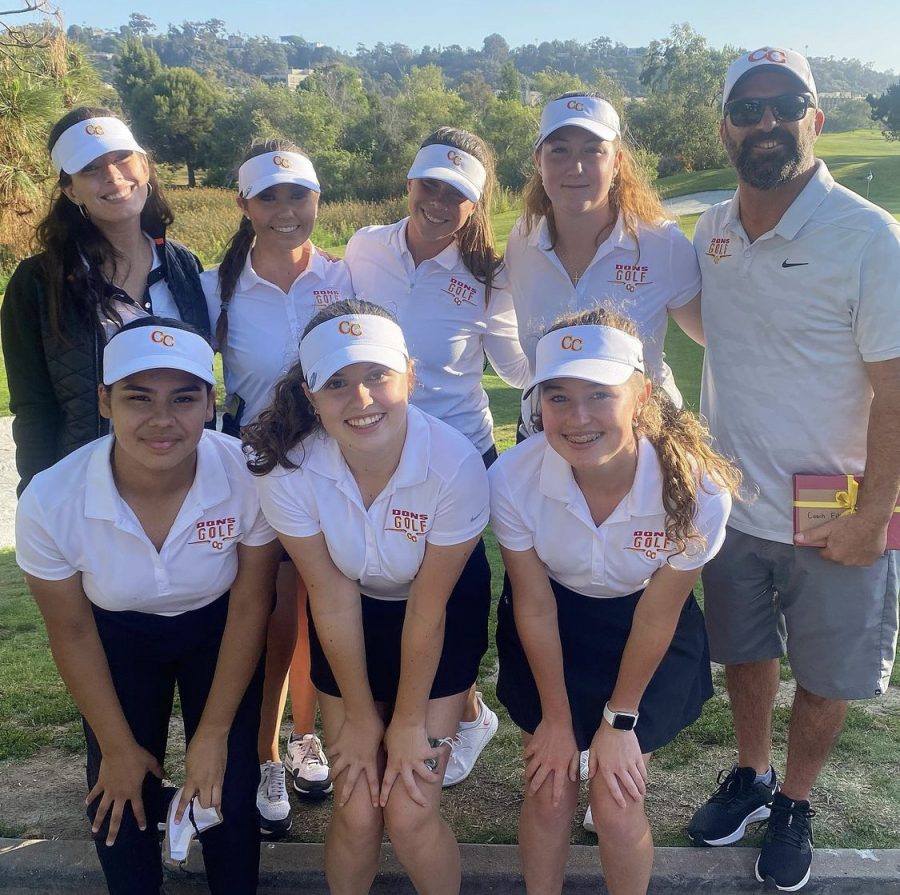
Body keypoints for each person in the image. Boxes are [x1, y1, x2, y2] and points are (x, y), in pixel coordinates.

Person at [687, 47, 900, 892]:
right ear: (727, 127)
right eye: (749, 107)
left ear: (816, 118)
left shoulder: (867, 236)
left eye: (787, 104)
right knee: (744, 652)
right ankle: (751, 773)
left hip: (836, 507)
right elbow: (721, 333)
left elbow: (896, 392)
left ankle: (797, 800)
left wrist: (872, 514)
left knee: (823, 671)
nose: (767, 120)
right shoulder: (712, 232)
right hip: (735, 502)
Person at [14, 317, 282, 895]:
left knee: (229, 789)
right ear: (104, 401)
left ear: (211, 403)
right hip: (116, 637)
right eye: (139, 398)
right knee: (118, 790)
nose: (163, 420)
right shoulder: (50, 500)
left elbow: (251, 603)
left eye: (184, 398)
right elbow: (73, 632)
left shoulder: (248, 472)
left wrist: (211, 736)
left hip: (219, 629)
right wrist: (114, 746)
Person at [246, 299, 492, 894]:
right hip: (350, 610)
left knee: (407, 811)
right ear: (310, 396)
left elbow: (429, 610)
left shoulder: (454, 465)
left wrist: (407, 721)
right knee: (355, 810)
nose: (361, 401)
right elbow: (329, 599)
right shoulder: (287, 471)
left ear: (410, 373)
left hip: (439, 609)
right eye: (337, 383)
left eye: (377, 376)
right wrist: (359, 717)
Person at [489, 308, 739, 895]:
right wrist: (555, 719)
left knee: (616, 798)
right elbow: (534, 605)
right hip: (554, 621)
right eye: (557, 397)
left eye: (599, 394)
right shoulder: (512, 479)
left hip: (645, 624)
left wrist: (618, 721)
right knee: (550, 790)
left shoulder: (699, 489)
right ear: (537, 404)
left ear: (641, 395)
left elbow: (659, 611)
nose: (578, 418)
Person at [344, 127, 530, 786]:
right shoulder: (365, 247)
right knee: (385, 584)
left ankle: (465, 706)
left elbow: (515, 361)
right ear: (410, 183)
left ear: (476, 203)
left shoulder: (488, 275)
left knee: (447, 591)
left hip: (456, 458)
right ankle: (423, 708)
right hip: (373, 451)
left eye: (457, 193)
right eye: (430, 185)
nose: (439, 201)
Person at [203, 140, 352, 835]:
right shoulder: (217, 288)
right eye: (269, 197)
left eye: (299, 196)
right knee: (271, 614)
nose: (287, 211)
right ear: (244, 205)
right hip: (252, 471)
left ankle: (304, 736)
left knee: (322, 609)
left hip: (330, 469)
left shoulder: (346, 274)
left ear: (317, 199)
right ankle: (266, 752)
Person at [1, 107, 210, 496]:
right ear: (70, 189)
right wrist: (37, 496)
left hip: (188, 485)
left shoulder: (183, 264)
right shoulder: (36, 282)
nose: (114, 177)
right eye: (92, 168)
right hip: (88, 489)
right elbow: (33, 407)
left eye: (121, 159)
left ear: (144, 167)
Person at [505, 92, 703, 426]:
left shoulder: (662, 244)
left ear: (617, 163)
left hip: (644, 441)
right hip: (547, 435)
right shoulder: (521, 240)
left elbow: (718, 337)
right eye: (559, 150)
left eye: (593, 150)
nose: (575, 166)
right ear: (538, 161)